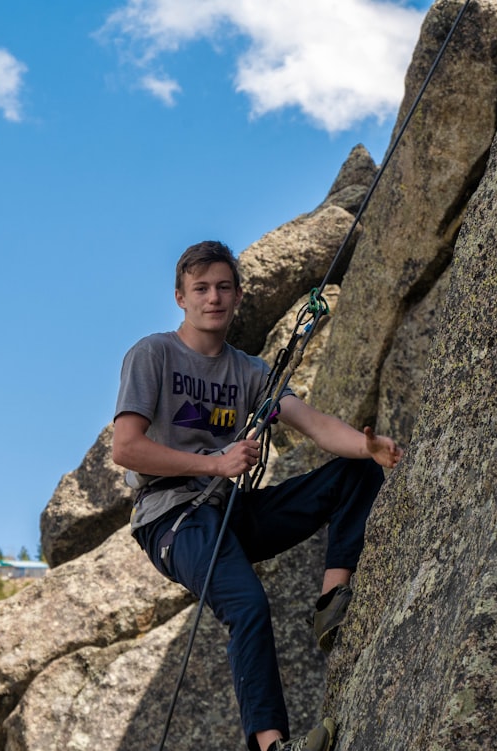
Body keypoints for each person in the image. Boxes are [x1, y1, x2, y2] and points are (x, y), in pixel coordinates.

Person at [112, 241, 403, 751]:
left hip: (228, 512)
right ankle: (271, 746)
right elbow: (127, 448)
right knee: (247, 603)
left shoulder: (249, 372)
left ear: (240, 296)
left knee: (354, 474)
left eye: (224, 287)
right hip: (172, 520)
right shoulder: (153, 354)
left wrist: (368, 445)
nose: (213, 298)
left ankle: (332, 601)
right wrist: (215, 464)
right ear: (180, 297)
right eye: (200, 288)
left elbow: (312, 423)